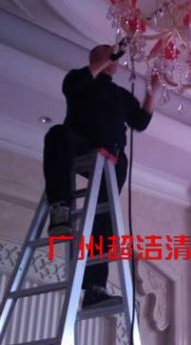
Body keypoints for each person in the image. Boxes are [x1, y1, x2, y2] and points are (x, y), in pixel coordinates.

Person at [43, 42, 159, 309]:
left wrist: (152, 93)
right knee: (56, 135)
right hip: (80, 143)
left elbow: (140, 122)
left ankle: (95, 288)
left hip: (111, 160)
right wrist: (107, 59)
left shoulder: (119, 95)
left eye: (114, 57)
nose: (114, 59)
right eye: (108, 54)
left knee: (103, 217)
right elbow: (74, 85)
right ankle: (60, 207)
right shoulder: (78, 79)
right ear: (95, 58)